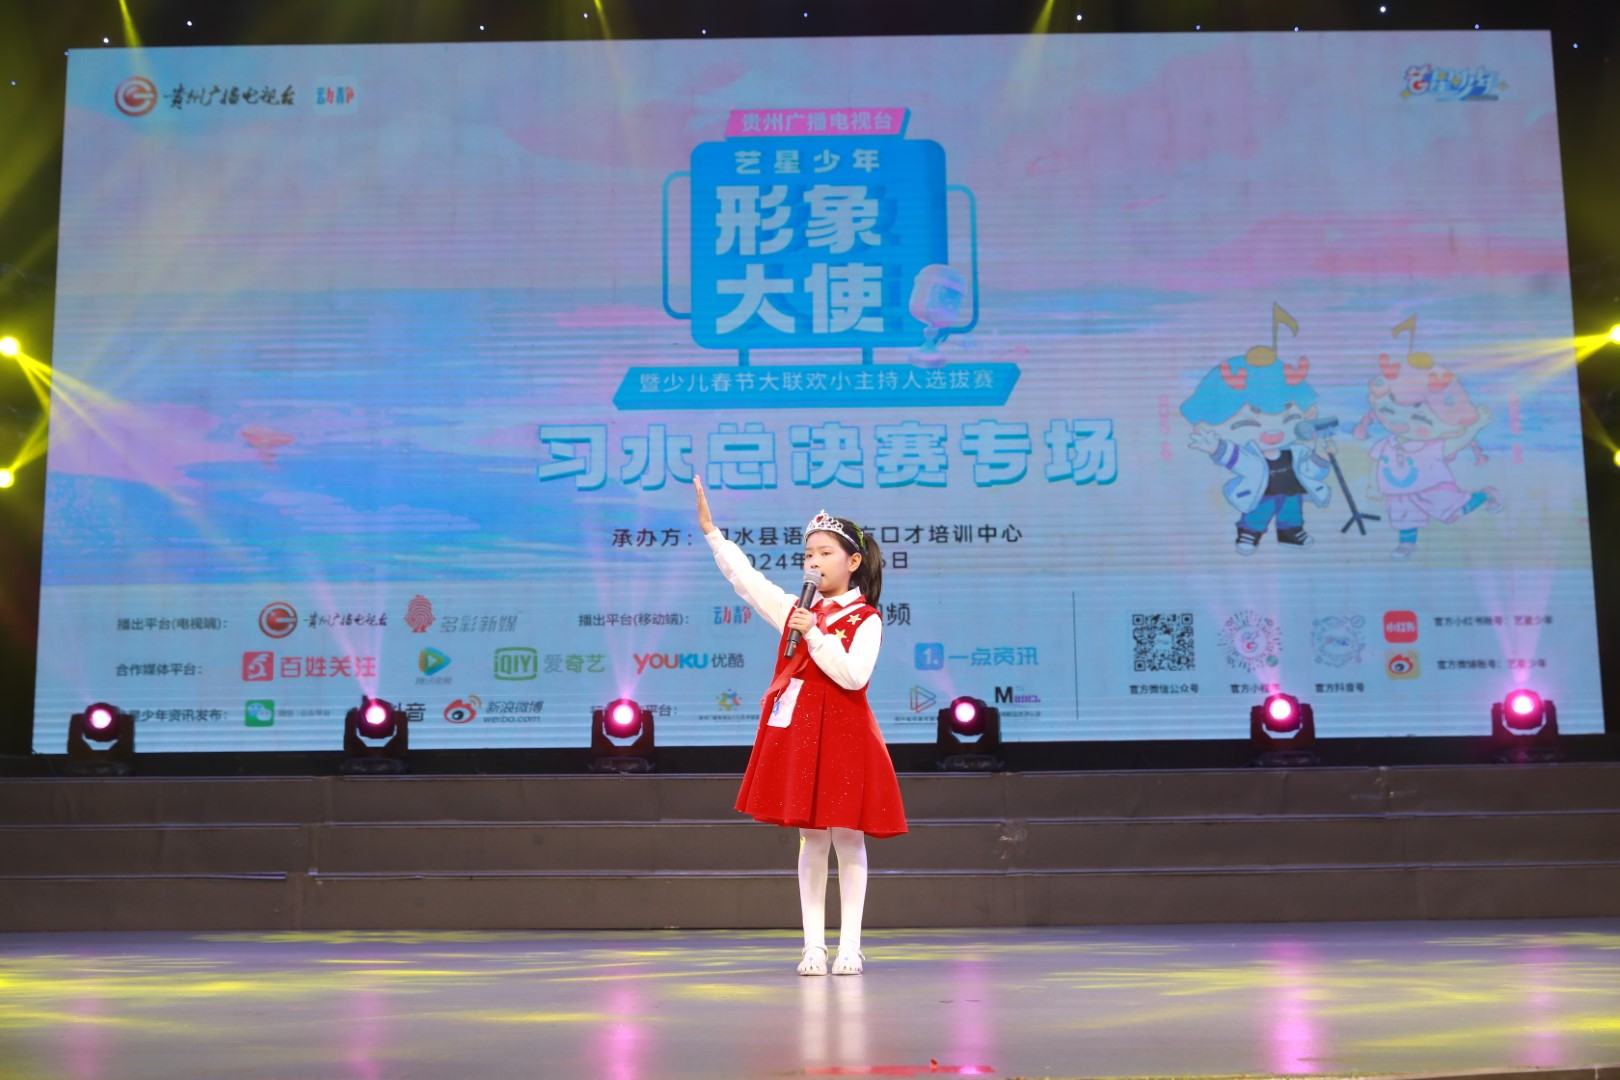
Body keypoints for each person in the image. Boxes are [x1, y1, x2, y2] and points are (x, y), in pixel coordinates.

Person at [694, 477, 908, 976]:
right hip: (804, 736)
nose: (813, 561)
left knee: (848, 839)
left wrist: (815, 635)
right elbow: (749, 581)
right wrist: (712, 534)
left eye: (825, 553)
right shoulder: (798, 609)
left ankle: (850, 946)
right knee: (812, 840)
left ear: (853, 561)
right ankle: (814, 946)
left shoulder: (866, 619)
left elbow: (853, 676)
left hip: (847, 738)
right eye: (809, 553)